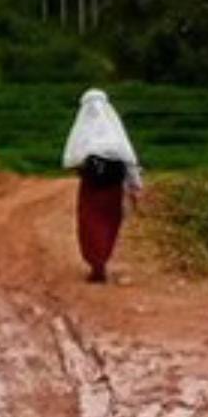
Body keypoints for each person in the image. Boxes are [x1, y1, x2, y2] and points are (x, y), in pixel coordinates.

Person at [62, 89, 143, 283]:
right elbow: (128, 159)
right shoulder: (115, 131)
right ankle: (102, 260)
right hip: (112, 188)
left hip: (91, 187)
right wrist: (135, 186)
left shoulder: (82, 131)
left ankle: (96, 263)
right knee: (109, 221)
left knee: (89, 222)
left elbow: (72, 159)